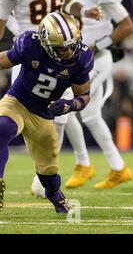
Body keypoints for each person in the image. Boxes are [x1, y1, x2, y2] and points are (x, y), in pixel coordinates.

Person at [53, 0, 133, 190]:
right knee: (89, 115)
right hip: (76, 56)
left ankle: (65, 168)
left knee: (63, 105)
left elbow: (126, 26)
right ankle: (118, 168)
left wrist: (97, 45)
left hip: (96, 57)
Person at [0, 12, 94, 213]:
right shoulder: (29, 44)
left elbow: (84, 96)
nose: (69, 52)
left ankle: (54, 195)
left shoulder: (82, 59)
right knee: (2, 128)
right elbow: (4, 60)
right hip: (17, 102)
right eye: (62, 48)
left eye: (72, 45)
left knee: (49, 172)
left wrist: (70, 105)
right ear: (46, 44)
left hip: (44, 114)